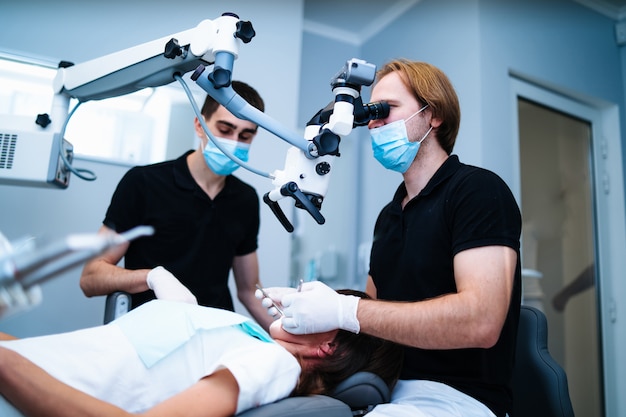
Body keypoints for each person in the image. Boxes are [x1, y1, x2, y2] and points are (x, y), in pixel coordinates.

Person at [257, 59, 522, 417]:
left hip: (459, 399)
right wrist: (307, 319)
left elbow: (482, 322)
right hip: (386, 388)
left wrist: (343, 310)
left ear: (434, 115)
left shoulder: (476, 191)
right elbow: (371, 321)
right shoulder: (390, 214)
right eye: (371, 113)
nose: (374, 122)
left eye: (386, 109)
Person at [0, 291, 402, 417]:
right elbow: (74, 355)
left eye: (322, 303)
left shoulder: (274, 363)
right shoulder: (252, 341)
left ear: (329, 345)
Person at [80, 81, 273, 330]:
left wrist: (291, 335)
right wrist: (152, 277)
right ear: (199, 126)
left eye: (245, 136)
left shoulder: (245, 199)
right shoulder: (144, 183)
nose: (234, 143)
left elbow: (248, 290)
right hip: (152, 333)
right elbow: (91, 276)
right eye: (225, 130)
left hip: (216, 333)